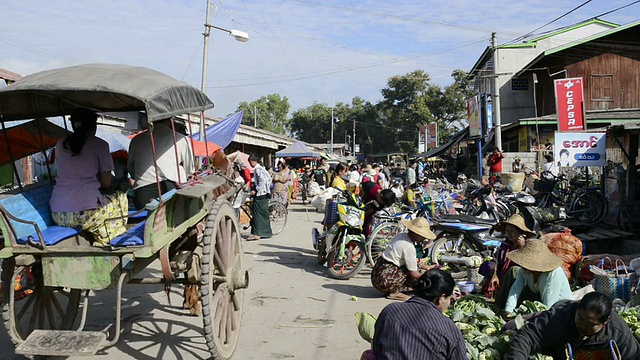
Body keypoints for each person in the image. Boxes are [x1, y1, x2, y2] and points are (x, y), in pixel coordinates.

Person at [50, 108, 127, 246]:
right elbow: (106, 184)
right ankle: (105, 239)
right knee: (121, 197)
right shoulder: (100, 145)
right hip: (85, 215)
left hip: (58, 213)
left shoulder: (60, 144)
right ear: (94, 126)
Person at [508, 292, 640, 360]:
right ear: (576, 309)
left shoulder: (619, 333)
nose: (582, 326)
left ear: (605, 322)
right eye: (580, 318)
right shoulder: (559, 317)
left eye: (590, 324)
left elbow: (633, 357)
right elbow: (528, 337)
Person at [372, 268, 468, 360]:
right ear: (442, 298)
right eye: (449, 299)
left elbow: (377, 349)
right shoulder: (448, 328)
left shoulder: (390, 311)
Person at [128, 117, 194, 209]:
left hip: (143, 193)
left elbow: (132, 171)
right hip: (171, 190)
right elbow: (189, 169)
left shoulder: (136, 140)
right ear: (170, 121)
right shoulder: (180, 138)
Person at [371, 217, 437, 300]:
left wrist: (426, 267)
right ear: (416, 233)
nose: (424, 238)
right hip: (384, 282)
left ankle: (393, 289)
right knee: (418, 280)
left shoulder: (401, 236)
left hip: (376, 275)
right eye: (422, 236)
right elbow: (414, 274)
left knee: (416, 268)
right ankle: (394, 291)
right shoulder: (409, 247)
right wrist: (431, 279)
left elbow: (408, 260)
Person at [503, 239, 573, 315]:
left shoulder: (553, 273)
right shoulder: (524, 270)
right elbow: (516, 289)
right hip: (538, 300)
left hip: (558, 308)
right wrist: (509, 310)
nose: (522, 266)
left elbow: (550, 302)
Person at [483, 214, 537, 308]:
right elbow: (496, 260)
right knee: (486, 265)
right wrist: (494, 274)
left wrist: (522, 247)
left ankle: (500, 305)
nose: (509, 234)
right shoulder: (505, 245)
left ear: (520, 232)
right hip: (503, 280)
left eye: (512, 231)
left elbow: (531, 264)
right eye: (507, 231)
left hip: (522, 282)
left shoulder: (529, 245)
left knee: (514, 270)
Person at [247, 155, 272, 240]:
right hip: (265, 193)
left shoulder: (258, 169)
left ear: (253, 161)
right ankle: (266, 232)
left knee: (257, 214)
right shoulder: (262, 168)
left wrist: (256, 190)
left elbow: (263, 181)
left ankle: (257, 234)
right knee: (263, 213)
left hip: (261, 194)